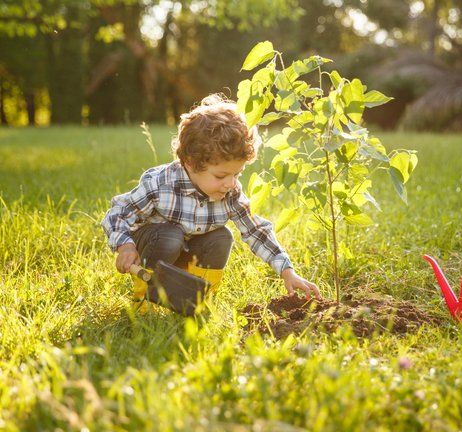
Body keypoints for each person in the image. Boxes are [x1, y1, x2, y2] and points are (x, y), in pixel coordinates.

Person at [101, 93, 321, 304]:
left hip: (187, 254)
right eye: (221, 175)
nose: (231, 183)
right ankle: (146, 298)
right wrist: (125, 246)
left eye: (237, 174)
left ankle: (194, 298)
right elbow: (118, 213)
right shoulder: (160, 185)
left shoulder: (230, 192)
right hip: (155, 248)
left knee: (221, 237)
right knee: (170, 236)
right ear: (189, 163)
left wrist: (287, 271)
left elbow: (255, 230)